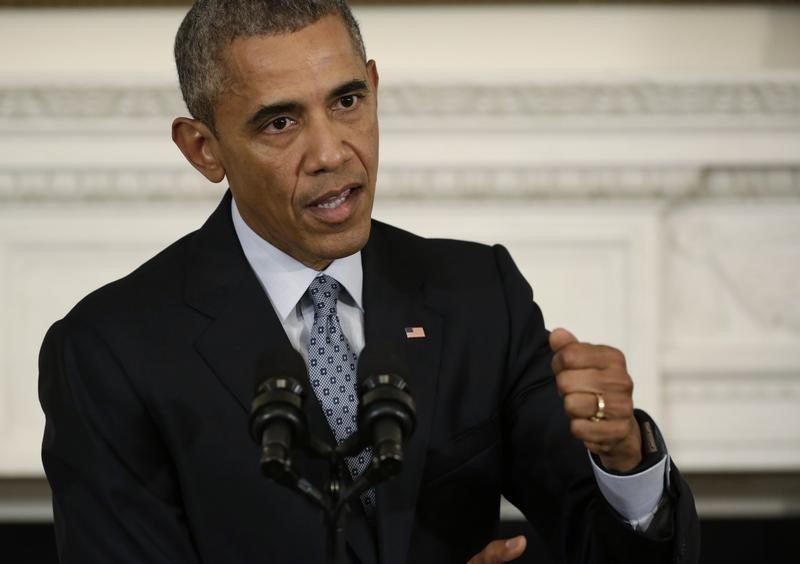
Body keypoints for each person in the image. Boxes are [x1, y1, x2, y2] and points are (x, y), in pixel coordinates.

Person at [38, 1, 699, 563]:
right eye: (280, 122)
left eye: (347, 100)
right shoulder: (110, 351)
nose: (331, 152)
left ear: (374, 89)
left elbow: (607, 545)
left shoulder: (478, 295)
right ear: (202, 149)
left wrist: (626, 460)